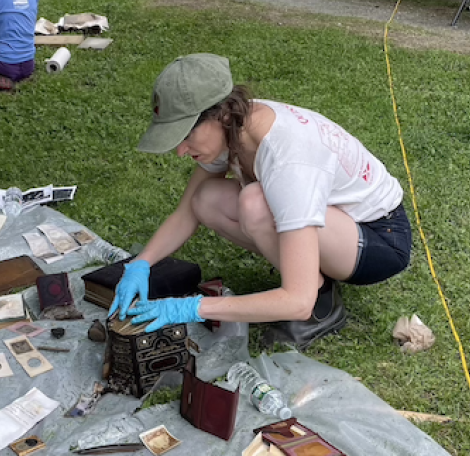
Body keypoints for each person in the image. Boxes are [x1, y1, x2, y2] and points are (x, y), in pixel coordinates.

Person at [109, 53, 412, 349]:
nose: (180, 151)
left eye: (185, 134)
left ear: (222, 114)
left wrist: (192, 308)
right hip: (337, 226)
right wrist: (141, 264)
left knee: (254, 203)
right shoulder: (235, 129)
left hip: (378, 238)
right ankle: (306, 274)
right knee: (205, 199)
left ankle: (321, 305)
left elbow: (297, 301)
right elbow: (188, 210)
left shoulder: (287, 159)